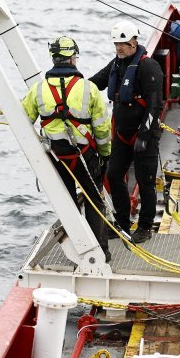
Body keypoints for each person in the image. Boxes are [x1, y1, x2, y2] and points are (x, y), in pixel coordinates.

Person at [22, 36, 112, 262]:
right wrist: (104, 155)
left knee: (67, 201)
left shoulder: (38, 90)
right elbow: (102, 127)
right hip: (85, 155)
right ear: (73, 59)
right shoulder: (89, 89)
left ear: (54, 58)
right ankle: (102, 251)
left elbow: (24, 120)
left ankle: (78, 246)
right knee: (94, 200)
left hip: (57, 156)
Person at [89, 20, 164, 243]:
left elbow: (155, 104)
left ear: (134, 42)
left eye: (122, 43)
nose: (119, 47)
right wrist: (73, 86)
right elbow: (94, 84)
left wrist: (144, 135)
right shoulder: (116, 64)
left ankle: (144, 227)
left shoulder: (148, 66)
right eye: (116, 43)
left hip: (144, 135)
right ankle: (122, 223)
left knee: (145, 180)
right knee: (113, 175)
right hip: (121, 134)